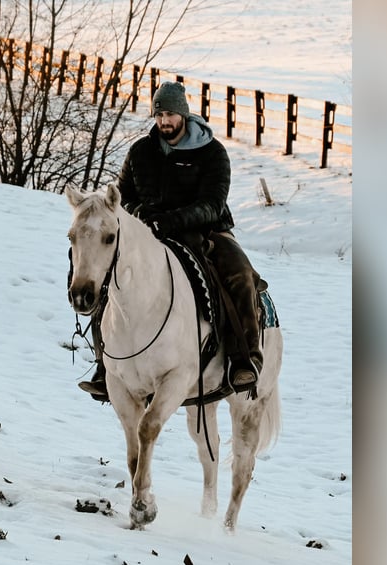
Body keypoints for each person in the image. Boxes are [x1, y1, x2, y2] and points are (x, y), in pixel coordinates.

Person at [78, 81, 263, 401]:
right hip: (148, 232)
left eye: (171, 114)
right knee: (109, 276)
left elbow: (213, 203)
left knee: (239, 274)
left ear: (184, 115)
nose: (164, 120)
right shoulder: (141, 152)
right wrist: (142, 214)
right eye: (159, 113)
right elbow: (122, 199)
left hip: (205, 230)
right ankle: (105, 364)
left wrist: (172, 219)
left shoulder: (212, 152)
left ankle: (243, 358)